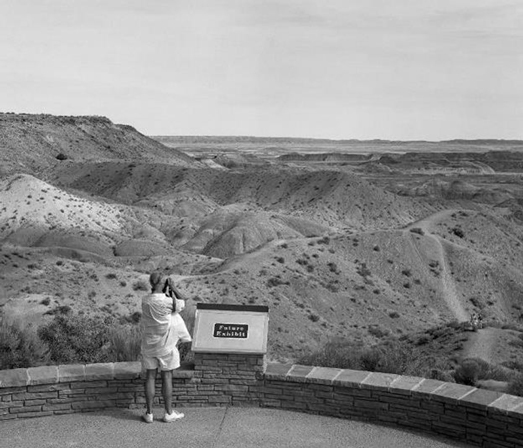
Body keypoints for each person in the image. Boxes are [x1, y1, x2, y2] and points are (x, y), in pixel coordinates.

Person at [140, 272, 191, 423]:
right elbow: (182, 302)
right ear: (164, 284)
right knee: (167, 377)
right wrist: (173, 288)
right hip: (166, 345)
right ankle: (168, 413)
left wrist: (165, 289)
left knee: (150, 377)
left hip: (149, 344)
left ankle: (149, 413)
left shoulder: (145, 300)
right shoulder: (168, 302)